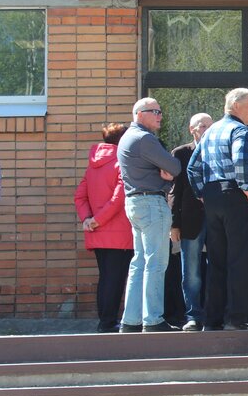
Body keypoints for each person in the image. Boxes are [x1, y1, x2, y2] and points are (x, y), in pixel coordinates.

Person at [187, 88, 248, 331]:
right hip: (236, 195)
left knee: (216, 261)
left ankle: (212, 320)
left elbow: (192, 168)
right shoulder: (240, 130)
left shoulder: (210, 132)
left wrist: (202, 194)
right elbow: (240, 160)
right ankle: (236, 319)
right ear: (237, 106)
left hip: (212, 196)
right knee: (240, 260)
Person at [117, 97, 181, 333]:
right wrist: (167, 173)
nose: (160, 115)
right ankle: (153, 320)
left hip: (135, 202)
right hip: (151, 203)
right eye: (155, 111)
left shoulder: (127, 138)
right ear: (139, 113)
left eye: (160, 110)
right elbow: (175, 167)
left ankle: (131, 320)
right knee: (155, 263)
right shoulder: (145, 138)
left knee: (140, 262)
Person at [74, 122, 132, 333]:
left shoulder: (93, 166)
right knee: (115, 279)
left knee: (106, 277)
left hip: (97, 233)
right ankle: (108, 323)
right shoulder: (121, 162)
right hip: (119, 233)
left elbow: (80, 196)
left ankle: (105, 321)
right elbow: (119, 198)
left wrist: (88, 219)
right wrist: (98, 219)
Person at [168, 112, 212, 332]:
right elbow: (175, 191)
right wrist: (174, 224)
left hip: (216, 219)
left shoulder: (219, 151)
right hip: (191, 220)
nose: (207, 129)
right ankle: (193, 316)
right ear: (192, 129)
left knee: (216, 268)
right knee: (191, 271)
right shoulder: (181, 153)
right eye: (202, 126)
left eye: (210, 126)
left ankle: (213, 314)